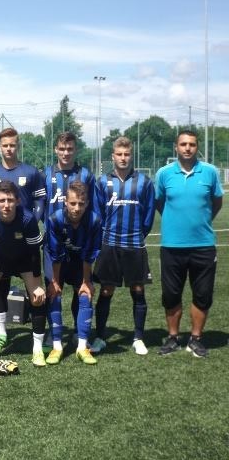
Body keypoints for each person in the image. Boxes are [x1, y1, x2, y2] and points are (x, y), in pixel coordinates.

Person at [154, 130, 223, 358]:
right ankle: (173, 337)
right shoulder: (164, 173)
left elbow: (217, 202)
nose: (187, 148)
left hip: (203, 245)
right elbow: (159, 202)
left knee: (203, 294)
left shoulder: (210, 172)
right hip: (172, 246)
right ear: (176, 147)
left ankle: (196, 339)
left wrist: (202, 222)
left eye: (192, 144)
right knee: (171, 295)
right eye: (183, 144)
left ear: (197, 147)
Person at [92, 137, 156, 355]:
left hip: (134, 244)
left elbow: (148, 215)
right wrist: (104, 236)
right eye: (119, 154)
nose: (123, 158)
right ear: (113, 156)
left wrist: (138, 234)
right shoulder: (102, 182)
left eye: (126, 154)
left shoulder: (144, 182)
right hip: (109, 244)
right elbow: (98, 214)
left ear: (131, 156)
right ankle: (100, 337)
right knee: (106, 290)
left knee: (138, 290)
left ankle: (138, 337)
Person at [0, 180, 47, 366]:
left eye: (10, 200)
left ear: (18, 201)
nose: (6, 205)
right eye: (2, 200)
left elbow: (34, 253)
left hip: (24, 258)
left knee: (37, 298)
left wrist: (37, 285)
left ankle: (37, 349)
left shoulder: (28, 219)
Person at [42, 131, 96, 349]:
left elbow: (93, 209)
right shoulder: (45, 174)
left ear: (76, 150)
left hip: (79, 243)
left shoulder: (86, 175)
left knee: (80, 288)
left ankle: (77, 331)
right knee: (53, 288)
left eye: (70, 149)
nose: (66, 153)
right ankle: (53, 332)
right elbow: (40, 207)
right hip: (53, 242)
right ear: (56, 149)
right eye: (62, 149)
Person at [44, 181, 101, 365]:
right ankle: (57, 345)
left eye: (81, 204)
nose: (77, 208)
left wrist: (86, 281)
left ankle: (82, 346)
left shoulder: (94, 221)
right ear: (65, 202)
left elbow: (89, 254)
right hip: (57, 261)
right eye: (73, 203)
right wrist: (54, 282)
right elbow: (55, 253)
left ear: (87, 203)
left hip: (79, 261)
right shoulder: (55, 219)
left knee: (85, 294)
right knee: (54, 294)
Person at [0, 127, 46, 220]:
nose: (8, 149)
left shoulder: (32, 172)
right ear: (0, 147)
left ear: (18, 146)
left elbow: (40, 200)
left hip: (24, 226)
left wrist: (32, 222)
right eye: (5, 145)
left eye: (12, 145)